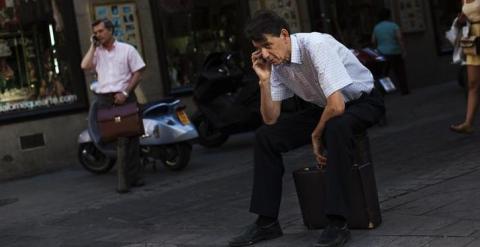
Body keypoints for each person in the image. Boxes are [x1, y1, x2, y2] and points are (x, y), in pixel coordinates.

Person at [228, 11, 385, 247]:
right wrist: (263, 80)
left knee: (335, 128)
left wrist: (315, 134)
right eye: (260, 49)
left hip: (362, 102)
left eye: (268, 45)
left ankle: (337, 221)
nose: (266, 54)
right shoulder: (277, 65)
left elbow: (338, 104)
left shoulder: (316, 45)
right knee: (265, 137)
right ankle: (267, 222)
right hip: (326, 107)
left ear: (283, 35)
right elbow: (271, 119)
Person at [80, 18, 146, 193]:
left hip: (124, 96)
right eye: (95, 32)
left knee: (130, 137)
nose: (98, 35)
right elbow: (84, 65)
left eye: (101, 31)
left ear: (110, 30)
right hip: (105, 100)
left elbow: (138, 72)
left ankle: (130, 179)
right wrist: (93, 46)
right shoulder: (96, 52)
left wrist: (125, 93)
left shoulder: (127, 50)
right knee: (116, 138)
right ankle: (130, 179)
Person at [450, 0, 480, 134]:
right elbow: (465, 14)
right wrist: (460, 19)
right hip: (472, 40)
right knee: (472, 83)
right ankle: (468, 123)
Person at [371, 8, 409, 95]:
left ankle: (384, 91)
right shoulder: (394, 26)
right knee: (400, 72)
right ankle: (404, 90)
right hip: (395, 52)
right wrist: (403, 50)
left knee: (384, 73)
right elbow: (400, 39)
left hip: (382, 53)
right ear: (389, 16)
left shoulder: (376, 27)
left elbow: (373, 41)